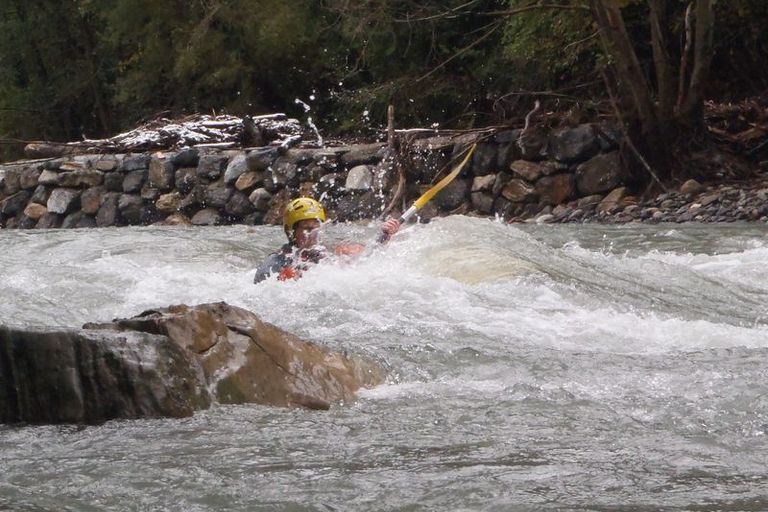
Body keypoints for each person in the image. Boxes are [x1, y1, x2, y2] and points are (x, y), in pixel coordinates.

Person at [253, 197, 401, 283]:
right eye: (307, 229)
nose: (313, 234)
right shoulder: (278, 261)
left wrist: (384, 235)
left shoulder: (327, 253)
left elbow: (365, 256)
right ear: (291, 231)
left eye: (316, 228)